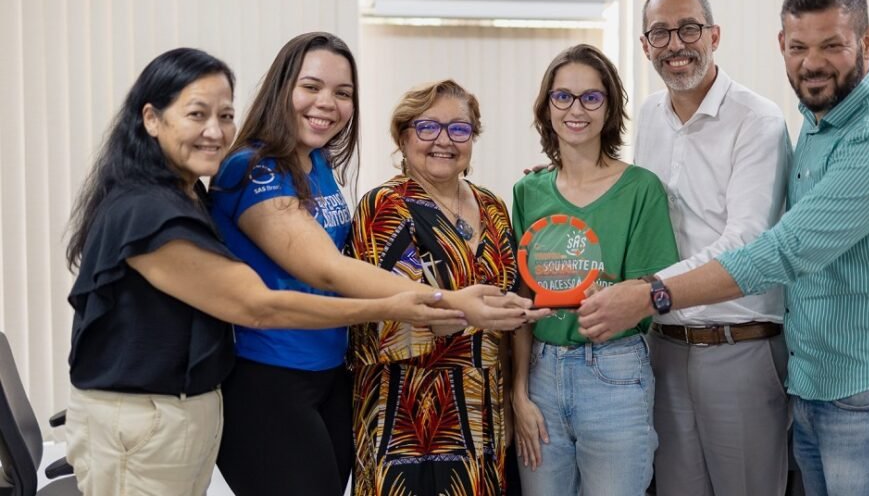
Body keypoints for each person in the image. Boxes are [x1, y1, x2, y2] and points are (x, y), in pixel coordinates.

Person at [579, 0, 869, 496]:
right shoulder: (821, 123)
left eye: (832, 45)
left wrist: (649, 293)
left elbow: (777, 250)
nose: (812, 62)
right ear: (782, 46)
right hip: (813, 374)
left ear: (868, 43)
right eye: (799, 47)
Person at [63, 48, 467, 496]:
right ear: (152, 119)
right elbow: (264, 303)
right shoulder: (152, 211)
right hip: (165, 409)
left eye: (225, 115)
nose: (215, 132)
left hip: (202, 401)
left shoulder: (189, 192)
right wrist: (415, 304)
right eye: (197, 114)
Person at [208, 34, 531, 496]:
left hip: (330, 374)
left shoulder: (315, 163)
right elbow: (328, 270)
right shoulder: (253, 168)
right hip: (271, 376)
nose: (328, 104)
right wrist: (447, 301)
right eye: (312, 87)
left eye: (343, 93)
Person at [348, 79, 543, 495]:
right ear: (403, 136)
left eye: (459, 129)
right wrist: (488, 313)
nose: (444, 140)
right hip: (404, 412)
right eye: (427, 127)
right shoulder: (384, 205)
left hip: (483, 408)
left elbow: (512, 310)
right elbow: (406, 312)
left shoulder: (492, 206)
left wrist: (512, 396)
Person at [634, 0, 792, 496]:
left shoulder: (758, 119)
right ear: (645, 45)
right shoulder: (646, 118)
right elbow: (633, 210)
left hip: (738, 348)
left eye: (689, 29)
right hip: (665, 350)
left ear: (714, 36)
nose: (676, 44)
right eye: (661, 32)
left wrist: (647, 291)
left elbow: (746, 243)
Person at [512, 44, 679, 496]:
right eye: (562, 97)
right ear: (547, 108)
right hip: (541, 376)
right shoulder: (528, 191)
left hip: (614, 371)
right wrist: (519, 393)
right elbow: (522, 303)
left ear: (610, 108)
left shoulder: (641, 189)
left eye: (591, 97)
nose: (576, 109)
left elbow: (648, 293)